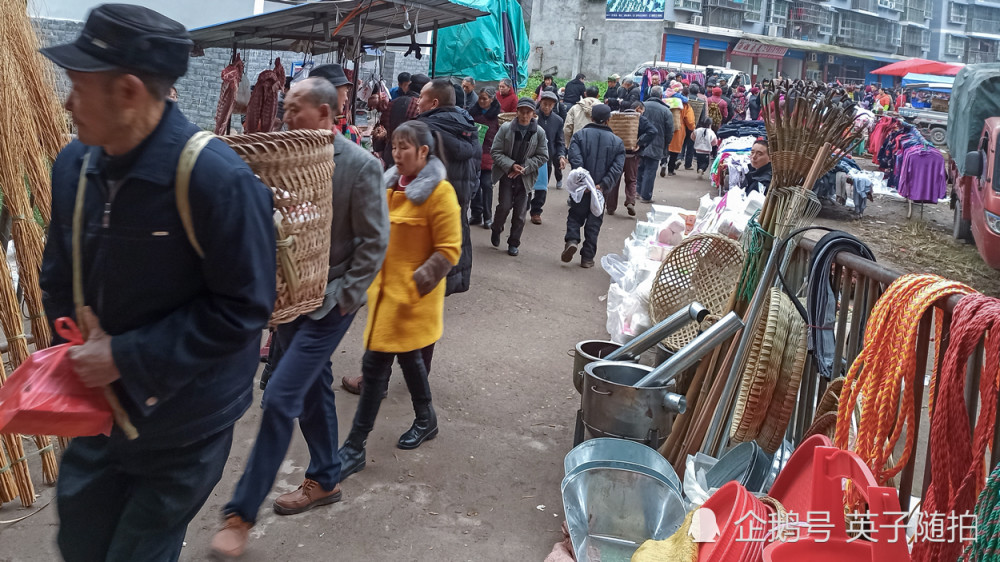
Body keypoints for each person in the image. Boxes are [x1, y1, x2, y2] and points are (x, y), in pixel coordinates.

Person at [39, 6, 276, 561]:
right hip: (96, 415)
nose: (67, 103)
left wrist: (125, 355)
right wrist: (67, 350)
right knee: (80, 542)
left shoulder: (217, 180)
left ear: (127, 91)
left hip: (184, 425)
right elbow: (56, 275)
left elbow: (244, 310)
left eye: (77, 86)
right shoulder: (74, 165)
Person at [209, 77, 389, 558]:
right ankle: (326, 478)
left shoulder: (360, 166)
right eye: (285, 109)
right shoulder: (282, 161)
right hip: (291, 298)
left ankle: (240, 514)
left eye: (296, 110)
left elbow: (375, 242)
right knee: (310, 386)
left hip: (330, 302)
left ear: (327, 117)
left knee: (281, 395)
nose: (286, 118)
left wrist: (345, 297)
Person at [337, 121, 462, 479]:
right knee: (409, 359)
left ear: (424, 152)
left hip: (410, 300)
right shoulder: (390, 187)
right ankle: (427, 419)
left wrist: (412, 287)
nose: (397, 153)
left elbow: (449, 250)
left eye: (404, 147)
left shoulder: (440, 194)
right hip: (383, 297)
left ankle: (354, 446)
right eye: (394, 146)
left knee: (374, 369)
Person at [416, 78, 480, 296]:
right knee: (453, 237)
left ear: (434, 103)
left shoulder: (424, 130)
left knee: (431, 243)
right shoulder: (468, 126)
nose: (417, 101)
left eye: (421, 97)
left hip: (432, 199)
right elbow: (476, 163)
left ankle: (433, 286)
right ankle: (452, 282)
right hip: (460, 196)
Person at [561, 103, 625, 269]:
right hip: (601, 192)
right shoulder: (618, 143)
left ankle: (572, 239)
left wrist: (585, 183)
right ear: (609, 120)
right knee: (594, 223)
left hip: (582, 189)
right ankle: (587, 258)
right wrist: (601, 186)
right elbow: (617, 169)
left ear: (591, 117)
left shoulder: (579, 136)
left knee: (575, 215)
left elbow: (576, 160)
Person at [490, 97, 548, 254]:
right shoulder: (506, 129)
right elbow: (495, 151)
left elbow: (543, 155)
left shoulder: (539, 132)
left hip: (525, 177)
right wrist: (510, 165)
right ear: (516, 112)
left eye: (528, 112)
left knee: (521, 213)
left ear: (533, 114)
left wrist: (524, 167)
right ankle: (496, 228)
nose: (524, 115)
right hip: (507, 174)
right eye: (521, 112)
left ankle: (513, 243)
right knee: (504, 206)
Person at [608, 101, 656, 217]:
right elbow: (653, 131)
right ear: (638, 109)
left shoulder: (615, 118)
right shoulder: (639, 119)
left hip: (616, 155)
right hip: (632, 155)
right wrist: (640, 143)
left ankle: (610, 207)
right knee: (631, 180)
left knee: (614, 180)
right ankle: (630, 201)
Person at [373, 73, 429, 167]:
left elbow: (380, 131)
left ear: (409, 87)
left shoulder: (392, 104)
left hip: (389, 155)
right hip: (411, 160)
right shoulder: (421, 108)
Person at [470, 87, 501, 228]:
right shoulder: (471, 113)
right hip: (474, 155)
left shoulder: (499, 117)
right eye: (480, 98)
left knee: (487, 185)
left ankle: (488, 217)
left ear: (492, 99)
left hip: (490, 156)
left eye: (485, 98)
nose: (481, 101)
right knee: (474, 186)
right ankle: (476, 214)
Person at [637, 86, 673, 203]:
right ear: (661, 96)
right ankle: (646, 196)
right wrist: (666, 143)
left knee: (639, 168)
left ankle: (637, 191)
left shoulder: (641, 106)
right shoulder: (666, 111)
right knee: (650, 170)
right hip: (657, 143)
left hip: (640, 142)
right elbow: (669, 130)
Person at [536, 90, 567, 210]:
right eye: (545, 104)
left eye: (550, 104)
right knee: (526, 185)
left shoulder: (558, 120)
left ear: (554, 105)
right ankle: (524, 206)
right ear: (540, 102)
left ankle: (536, 211)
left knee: (542, 186)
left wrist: (561, 156)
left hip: (546, 158)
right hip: (529, 156)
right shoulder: (532, 116)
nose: (547, 107)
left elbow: (560, 141)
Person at [667, 93, 695, 176]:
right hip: (678, 128)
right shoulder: (686, 105)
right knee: (674, 150)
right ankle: (670, 170)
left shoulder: (668, 102)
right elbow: (690, 121)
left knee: (665, 148)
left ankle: (663, 163)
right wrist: (692, 128)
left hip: (666, 127)